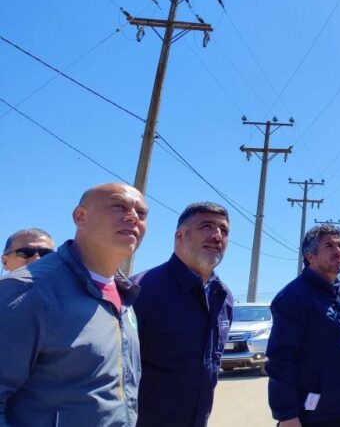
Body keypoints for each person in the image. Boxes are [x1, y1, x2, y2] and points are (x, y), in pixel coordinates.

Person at [0, 182, 147, 426]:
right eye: (118, 206)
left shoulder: (125, 295)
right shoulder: (28, 291)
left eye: (141, 213)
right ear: (81, 217)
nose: (133, 217)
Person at [131, 202, 233, 427]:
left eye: (224, 230)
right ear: (180, 236)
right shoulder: (140, 291)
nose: (217, 236)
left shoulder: (223, 297)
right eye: (206, 226)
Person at [267, 224, 340, 427]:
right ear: (310, 256)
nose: (338, 251)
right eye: (329, 246)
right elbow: (281, 359)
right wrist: (286, 415)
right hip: (309, 416)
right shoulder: (293, 297)